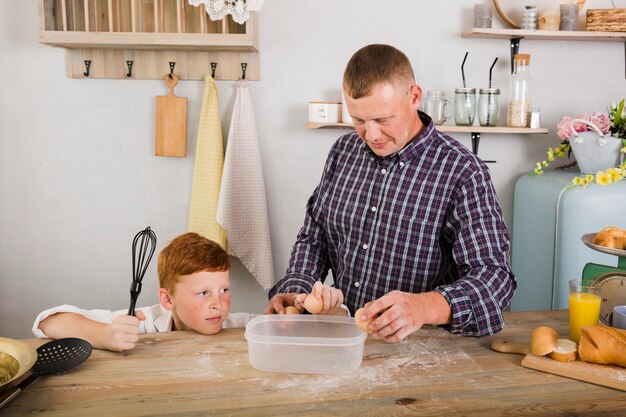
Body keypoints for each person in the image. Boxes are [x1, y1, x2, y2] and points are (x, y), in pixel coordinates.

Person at [267, 44, 516, 343]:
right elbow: (316, 234)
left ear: (413, 97)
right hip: (343, 339)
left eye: (383, 120)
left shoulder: (463, 173)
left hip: (423, 351)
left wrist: (424, 307)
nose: (370, 135)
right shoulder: (342, 152)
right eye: (358, 120)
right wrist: (297, 288)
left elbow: (495, 278)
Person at [33, 232, 253, 351]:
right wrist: (103, 335)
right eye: (203, 293)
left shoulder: (241, 326)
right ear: (167, 299)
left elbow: (283, 327)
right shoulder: (144, 322)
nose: (219, 303)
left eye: (224, 289)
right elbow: (48, 322)